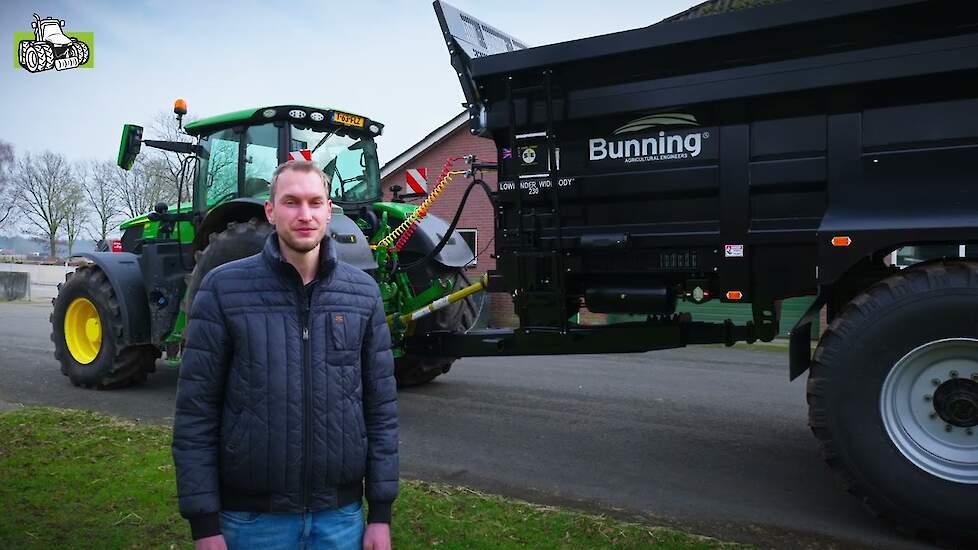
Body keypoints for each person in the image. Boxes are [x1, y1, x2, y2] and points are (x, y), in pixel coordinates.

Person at [172, 160, 398, 550]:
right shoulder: (223, 289)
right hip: (252, 521)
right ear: (271, 211)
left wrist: (380, 514)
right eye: (291, 202)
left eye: (315, 202)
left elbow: (381, 411)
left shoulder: (362, 294)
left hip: (340, 519)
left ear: (330, 210)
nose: (305, 215)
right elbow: (196, 413)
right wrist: (205, 525)